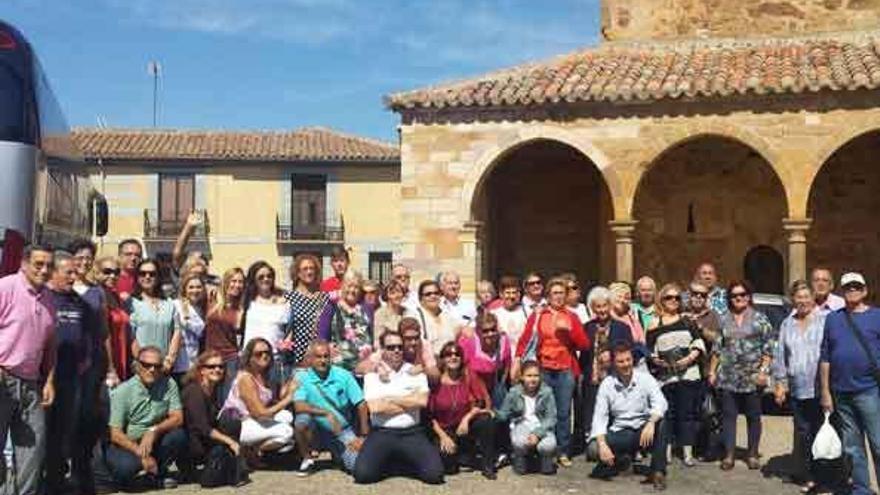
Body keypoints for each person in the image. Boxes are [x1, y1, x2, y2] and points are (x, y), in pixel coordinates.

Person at [515, 278, 590, 467]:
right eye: (555, 293)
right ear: (548, 296)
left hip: (565, 369)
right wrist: (517, 361)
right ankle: (544, 448)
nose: (558, 296)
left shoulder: (572, 316)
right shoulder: (539, 314)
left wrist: (570, 331)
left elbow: (584, 344)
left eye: (562, 293)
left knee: (564, 413)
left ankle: (563, 451)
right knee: (544, 411)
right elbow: (525, 340)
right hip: (544, 369)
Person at [352, 331, 444, 485]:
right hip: (382, 432)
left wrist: (390, 399)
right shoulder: (373, 375)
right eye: (391, 347)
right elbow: (375, 407)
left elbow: (421, 402)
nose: (396, 350)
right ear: (382, 350)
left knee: (435, 475)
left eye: (400, 347)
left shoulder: (415, 372)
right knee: (362, 475)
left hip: (412, 432)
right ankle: (394, 461)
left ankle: (400, 461)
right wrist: (408, 402)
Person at [0, 244, 56, 495]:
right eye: (38, 264)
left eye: (49, 265)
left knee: (32, 452)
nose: (44, 270)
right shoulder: (6, 287)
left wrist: (49, 381)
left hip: (32, 383)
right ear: (24, 264)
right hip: (3, 377)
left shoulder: (49, 298)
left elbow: (50, 345)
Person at [819, 272, 880, 495]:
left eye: (856, 287)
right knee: (853, 448)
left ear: (864, 290)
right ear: (842, 292)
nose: (852, 290)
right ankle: (862, 490)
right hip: (841, 392)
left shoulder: (877, 316)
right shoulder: (833, 318)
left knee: (879, 444)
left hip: (870, 390)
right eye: (848, 288)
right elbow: (825, 356)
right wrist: (825, 391)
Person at [45, 251, 99, 494]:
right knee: (41, 433)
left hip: (71, 380)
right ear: (54, 272)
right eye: (68, 272)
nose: (74, 277)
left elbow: (90, 337)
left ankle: (57, 483)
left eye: (75, 273)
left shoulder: (81, 302)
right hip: (43, 380)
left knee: (63, 433)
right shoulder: (44, 299)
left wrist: (85, 360)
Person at [708, 280, 775, 470]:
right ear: (730, 299)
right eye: (735, 296)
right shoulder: (724, 319)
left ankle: (752, 453)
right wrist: (712, 371)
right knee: (728, 416)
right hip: (728, 377)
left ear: (748, 296)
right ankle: (729, 454)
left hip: (752, 378)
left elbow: (769, 348)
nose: (739, 298)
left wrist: (763, 372)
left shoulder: (760, 318)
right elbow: (717, 348)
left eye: (743, 294)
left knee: (753, 416)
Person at [587, 341, 669, 490]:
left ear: (633, 360)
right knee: (594, 448)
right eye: (620, 361)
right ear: (614, 363)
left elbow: (661, 403)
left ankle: (657, 472)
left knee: (662, 423)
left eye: (628, 360)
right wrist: (603, 444)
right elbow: (599, 417)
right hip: (620, 431)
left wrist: (651, 422)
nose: (625, 364)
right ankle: (620, 460)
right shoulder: (607, 384)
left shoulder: (645, 378)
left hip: (642, 431)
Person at [106, 346, 187, 490]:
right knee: (126, 468)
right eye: (146, 365)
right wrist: (140, 453)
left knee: (178, 436)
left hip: (154, 440)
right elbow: (115, 433)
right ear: (137, 366)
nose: (152, 370)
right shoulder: (123, 392)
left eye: (157, 366)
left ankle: (157, 472)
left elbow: (178, 418)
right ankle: (145, 476)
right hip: (127, 444)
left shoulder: (169, 384)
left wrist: (154, 431)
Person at [773, 280, 826, 493]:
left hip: (821, 388)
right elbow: (781, 356)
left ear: (813, 298)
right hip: (797, 388)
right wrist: (780, 383)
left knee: (820, 431)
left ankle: (821, 476)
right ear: (793, 299)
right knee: (802, 432)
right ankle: (807, 473)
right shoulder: (787, 323)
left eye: (806, 296)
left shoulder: (824, 320)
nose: (802, 300)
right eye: (798, 296)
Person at [645, 283, 705, 467]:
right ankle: (667, 450)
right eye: (668, 298)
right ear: (661, 300)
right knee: (668, 414)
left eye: (677, 298)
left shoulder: (687, 320)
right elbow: (649, 350)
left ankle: (687, 453)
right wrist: (657, 361)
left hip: (688, 374)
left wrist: (688, 359)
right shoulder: (655, 323)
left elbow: (699, 343)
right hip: (666, 376)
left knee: (687, 414)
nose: (673, 301)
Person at [293, 341, 370, 476]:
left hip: (341, 430)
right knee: (301, 420)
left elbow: (361, 405)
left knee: (357, 465)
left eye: (325, 356)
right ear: (310, 359)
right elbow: (298, 406)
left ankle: (338, 454)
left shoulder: (344, 375)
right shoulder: (302, 377)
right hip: (315, 430)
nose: (322, 360)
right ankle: (307, 459)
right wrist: (326, 413)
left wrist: (363, 436)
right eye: (318, 357)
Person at [219, 338, 296, 464]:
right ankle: (251, 451)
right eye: (258, 354)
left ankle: (251, 449)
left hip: (251, 419)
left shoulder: (263, 375)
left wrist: (292, 382)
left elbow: (275, 400)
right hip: (238, 424)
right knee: (286, 432)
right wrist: (288, 399)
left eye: (267, 353)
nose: (264, 356)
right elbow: (260, 413)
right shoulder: (246, 379)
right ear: (249, 357)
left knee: (287, 416)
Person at [429, 341, 497, 479]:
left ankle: (487, 464)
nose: (453, 357)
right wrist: (443, 437)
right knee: (449, 466)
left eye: (457, 354)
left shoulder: (468, 376)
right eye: (448, 354)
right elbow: (428, 416)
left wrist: (467, 419)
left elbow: (480, 401)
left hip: (464, 428)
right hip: (444, 430)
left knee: (486, 420)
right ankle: (462, 456)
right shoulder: (435, 381)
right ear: (442, 359)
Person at [180, 350, 247, 487]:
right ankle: (214, 471)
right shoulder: (194, 391)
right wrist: (230, 442)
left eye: (221, 366)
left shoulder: (212, 388)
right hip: (192, 443)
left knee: (232, 423)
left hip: (205, 439)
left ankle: (230, 468)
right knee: (223, 448)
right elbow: (202, 427)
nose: (217, 369)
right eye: (211, 367)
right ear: (201, 370)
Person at [579, 286, 634, 451]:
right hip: (593, 376)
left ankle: (616, 443)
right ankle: (593, 442)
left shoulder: (622, 327)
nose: (602, 310)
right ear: (593, 308)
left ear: (610, 306)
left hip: (615, 377)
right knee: (593, 408)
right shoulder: (587, 327)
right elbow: (583, 353)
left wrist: (613, 354)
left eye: (604, 306)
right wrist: (582, 373)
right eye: (598, 307)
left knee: (614, 409)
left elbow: (630, 350)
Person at [496, 360, 557, 475]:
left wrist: (537, 434)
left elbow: (551, 418)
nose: (532, 379)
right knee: (519, 442)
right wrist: (493, 413)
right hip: (521, 424)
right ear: (522, 377)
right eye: (529, 376)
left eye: (536, 376)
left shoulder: (547, 392)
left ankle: (545, 463)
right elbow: (504, 413)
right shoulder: (514, 392)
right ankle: (520, 461)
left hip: (541, 425)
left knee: (548, 446)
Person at [130, 259, 182, 375]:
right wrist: (142, 362)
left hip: (164, 367)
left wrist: (170, 359)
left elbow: (177, 331)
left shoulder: (169, 303)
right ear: (137, 277)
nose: (147, 277)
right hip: (142, 368)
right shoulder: (131, 303)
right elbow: (131, 337)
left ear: (158, 277)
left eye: (152, 274)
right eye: (143, 273)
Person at [241, 261, 290, 383]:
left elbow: (291, 327)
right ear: (254, 280)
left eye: (269, 276)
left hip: (274, 358)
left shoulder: (283, 302)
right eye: (261, 277)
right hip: (250, 359)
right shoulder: (246, 300)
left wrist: (287, 341)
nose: (266, 279)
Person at [204, 267, 246, 405]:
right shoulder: (212, 300)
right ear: (226, 282)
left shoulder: (242, 308)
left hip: (230, 359)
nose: (237, 285)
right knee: (208, 397)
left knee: (227, 399)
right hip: (209, 358)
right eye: (233, 281)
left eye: (240, 282)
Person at [318, 271, 373, 374]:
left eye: (356, 287)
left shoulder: (366, 308)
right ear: (342, 286)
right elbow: (321, 338)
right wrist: (328, 348)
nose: (352, 290)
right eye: (349, 286)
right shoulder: (330, 308)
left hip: (365, 367)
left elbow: (373, 335)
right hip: (339, 367)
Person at [356, 317, 440, 383]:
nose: (413, 342)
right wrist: (376, 368)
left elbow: (435, 375)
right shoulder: (392, 346)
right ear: (401, 338)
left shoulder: (424, 345)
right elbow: (359, 369)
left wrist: (424, 369)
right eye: (408, 339)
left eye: (416, 338)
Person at [283, 254, 330, 373]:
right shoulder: (288, 298)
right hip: (297, 359)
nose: (309, 272)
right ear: (297, 273)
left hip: (321, 359)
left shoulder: (325, 298)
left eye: (312, 268)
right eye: (305, 269)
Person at [458, 311, 511, 407]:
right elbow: (463, 369)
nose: (490, 334)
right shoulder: (469, 342)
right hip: (473, 390)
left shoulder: (503, 340)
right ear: (478, 331)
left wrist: (501, 385)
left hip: (495, 386)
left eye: (493, 329)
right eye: (485, 331)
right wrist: (485, 397)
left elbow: (506, 365)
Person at [94, 257, 131, 384]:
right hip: (105, 361)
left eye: (116, 272)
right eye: (107, 272)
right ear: (97, 273)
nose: (112, 276)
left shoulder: (115, 295)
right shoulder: (96, 296)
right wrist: (110, 367)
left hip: (120, 356)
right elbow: (105, 334)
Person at [172, 271, 207, 384]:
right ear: (184, 289)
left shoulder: (202, 309)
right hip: (177, 363)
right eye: (191, 287)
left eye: (198, 287)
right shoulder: (176, 305)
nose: (195, 291)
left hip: (193, 364)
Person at [492, 276, 529, 379]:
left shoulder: (527, 313)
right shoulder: (494, 314)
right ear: (501, 294)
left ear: (519, 295)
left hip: (523, 363)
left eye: (514, 293)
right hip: (501, 365)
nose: (511, 296)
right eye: (508, 293)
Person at [414, 280, 460, 354]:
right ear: (421, 299)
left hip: (449, 360)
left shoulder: (448, 316)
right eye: (428, 294)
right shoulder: (416, 317)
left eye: (436, 293)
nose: (433, 296)